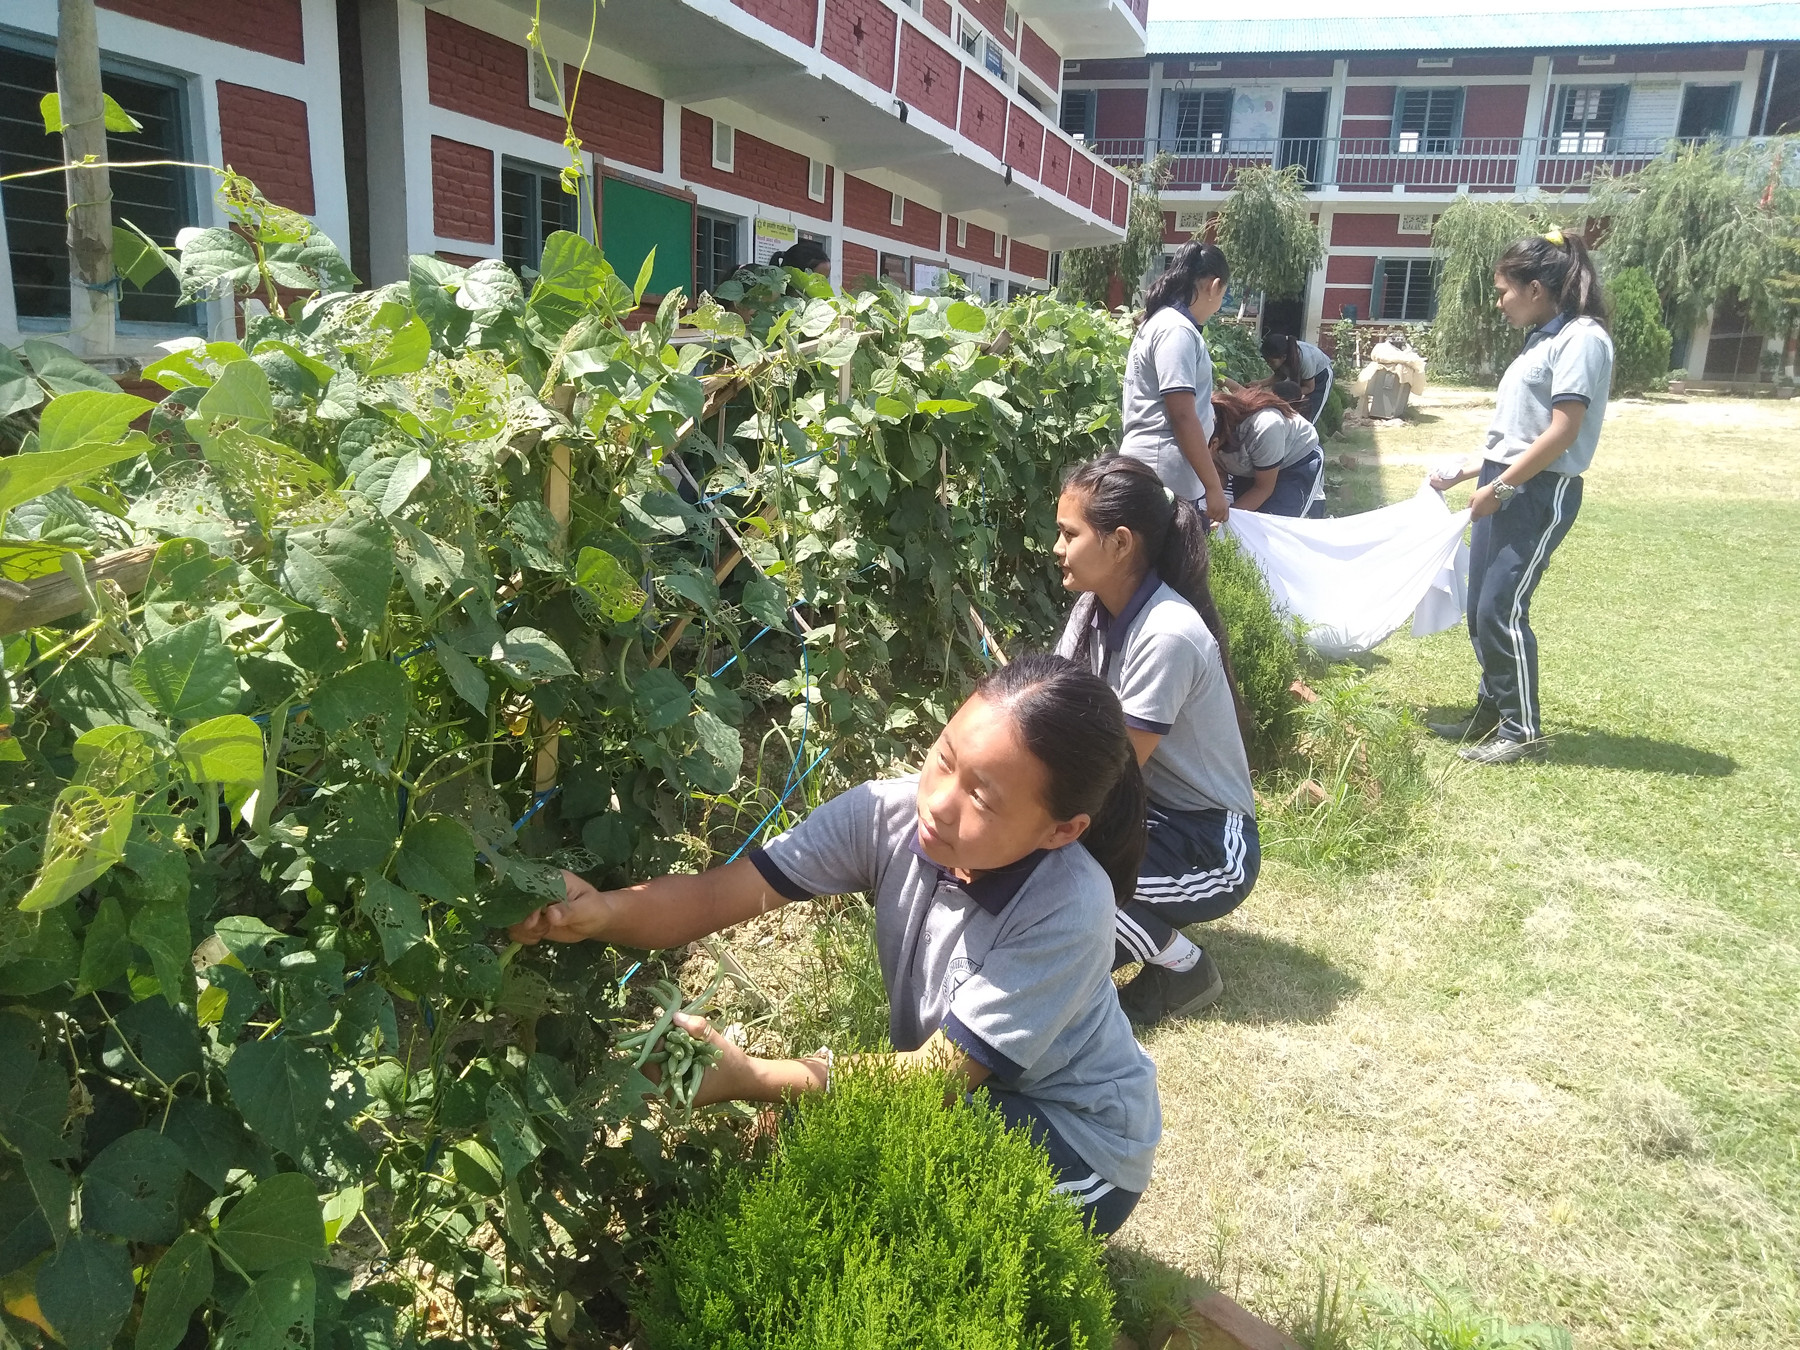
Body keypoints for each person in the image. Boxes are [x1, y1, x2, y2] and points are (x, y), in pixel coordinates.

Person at [509, 655, 1161, 1235]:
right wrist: (598, 912)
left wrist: (754, 1078)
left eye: (983, 798)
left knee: (876, 1203)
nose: (938, 802)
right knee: (822, 1147)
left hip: (1079, 1141)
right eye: (944, 758)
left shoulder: (1071, 906)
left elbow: (931, 1080)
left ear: (1060, 830)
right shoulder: (889, 816)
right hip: (965, 1093)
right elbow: (714, 898)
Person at [1052, 456, 1259, 1026]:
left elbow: (1111, 774)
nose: (1056, 546)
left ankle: (1183, 966)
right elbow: (1060, 714)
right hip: (1153, 817)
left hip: (1210, 844)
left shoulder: (1168, 634)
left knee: (1066, 881)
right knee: (1048, 893)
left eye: (1069, 533)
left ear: (1120, 543)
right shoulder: (1092, 610)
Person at [1426, 228, 1613, 765]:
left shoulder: (1582, 338)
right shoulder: (1544, 337)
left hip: (1537, 492)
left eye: (1504, 289)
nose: (1499, 300)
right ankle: (1492, 711)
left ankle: (1522, 730)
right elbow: (1520, 428)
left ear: (1535, 288)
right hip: (1504, 482)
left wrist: (1501, 487)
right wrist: (1472, 469)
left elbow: (1562, 431)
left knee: (1501, 608)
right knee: (1481, 607)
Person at [1119, 241, 1232, 524]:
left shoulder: (1161, 323)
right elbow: (1182, 415)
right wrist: (1214, 487)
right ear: (1214, 286)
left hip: (1158, 471)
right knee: (1170, 566)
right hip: (1166, 474)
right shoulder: (1176, 330)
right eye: (1224, 294)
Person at [1211, 387, 1325, 517]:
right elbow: (1219, 479)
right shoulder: (1202, 436)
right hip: (1256, 462)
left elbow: (1263, 488)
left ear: (1214, 443)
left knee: (1275, 521)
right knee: (1247, 520)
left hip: (1296, 460)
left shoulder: (1263, 428)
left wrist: (1225, 517)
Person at [1259, 331, 1335, 424]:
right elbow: (1280, 376)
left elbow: (1309, 388)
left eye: (1271, 362)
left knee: (1309, 418)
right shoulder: (1284, 355)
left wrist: (1278, 395)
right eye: (1266, 361)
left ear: (1283, 357)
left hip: (1321, 376)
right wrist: (1259, 384)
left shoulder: (1305, 359)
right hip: (1307, 377)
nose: (1269, 364)